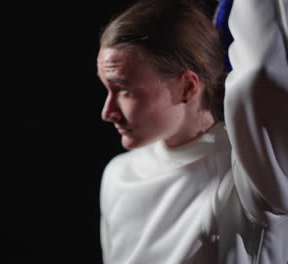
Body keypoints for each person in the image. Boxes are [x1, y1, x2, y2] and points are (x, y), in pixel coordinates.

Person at [96, 0, 288, 263]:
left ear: (187, 87)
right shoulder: (117, 175)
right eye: (107, 89)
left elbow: (259, 76)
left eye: (124, 90)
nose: (107, 112)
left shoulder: (245, 179)